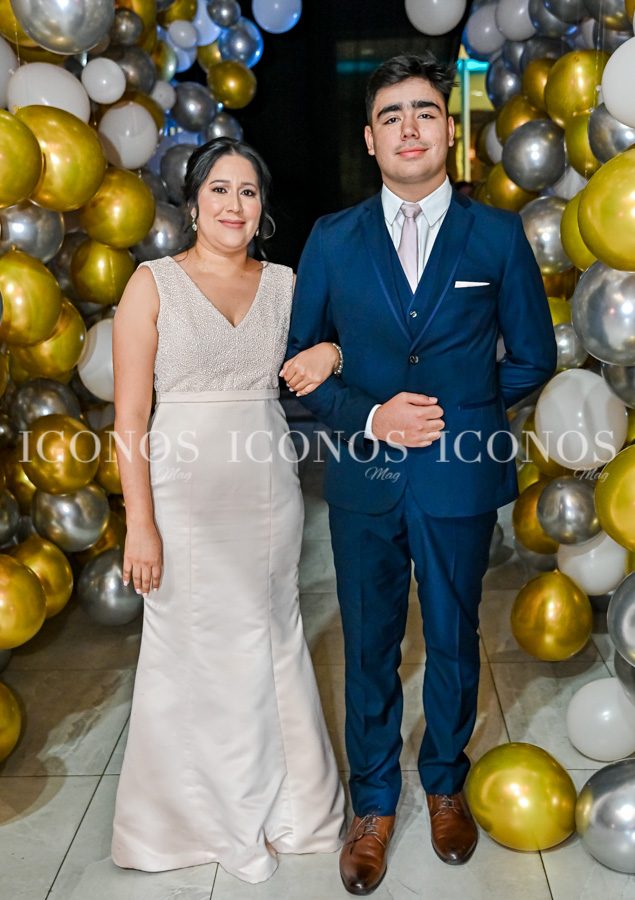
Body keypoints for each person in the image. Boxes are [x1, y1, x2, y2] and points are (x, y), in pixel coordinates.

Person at [285, 52, 556, 894]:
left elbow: (532, 356)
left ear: (448, 131)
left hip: (456, 476)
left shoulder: (496, 236)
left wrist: (459, 415)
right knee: (368, 644)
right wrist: (373, 417)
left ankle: (443, 782)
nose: (409, 127)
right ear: (370, 140)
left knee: (451, 637)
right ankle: (372, 805)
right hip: (363, 477)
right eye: (391, 115)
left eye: (425, 112)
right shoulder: (331, 238)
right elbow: (298, 364)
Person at [110, 137, 345, 884]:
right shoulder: (151, 284)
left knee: (271, 636)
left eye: (247, 191)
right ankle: (200, 820)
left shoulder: (285, 284)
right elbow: (129, 420)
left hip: (268, 490)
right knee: (193, 647)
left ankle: (291, 809)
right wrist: (140, 523)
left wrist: (333, 355)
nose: (234, 204)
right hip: (181, 498)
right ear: (192, 203)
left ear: (262, 207)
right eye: (219, 189)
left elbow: (348, 342)